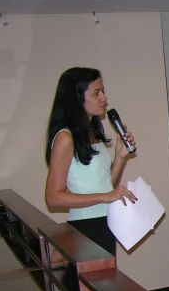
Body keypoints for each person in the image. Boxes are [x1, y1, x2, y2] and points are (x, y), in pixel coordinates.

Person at [44, 67, 137, 255]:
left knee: (107, 283)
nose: (104, 98)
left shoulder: (92, 133)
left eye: (103, 91)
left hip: (104, 222)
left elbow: (105, 186)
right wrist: (104, 197)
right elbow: (52, 198)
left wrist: (119, 158)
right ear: (77, 98)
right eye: (97, 93)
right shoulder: (65, 138)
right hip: (85, 226)